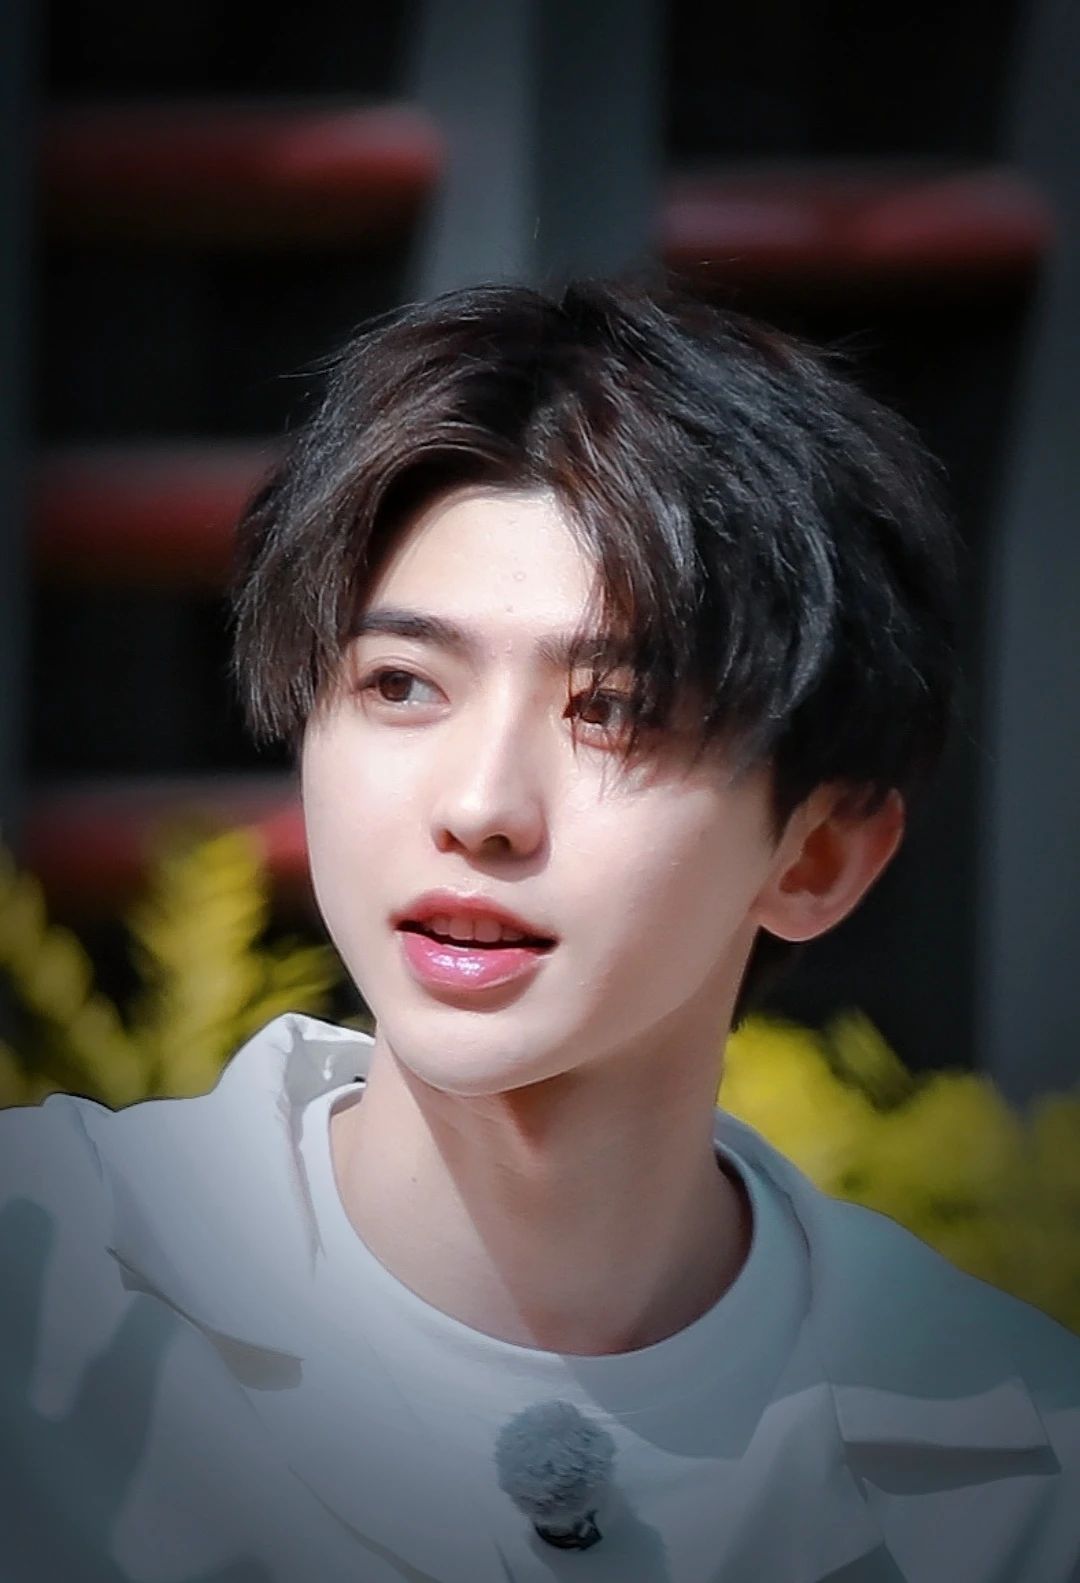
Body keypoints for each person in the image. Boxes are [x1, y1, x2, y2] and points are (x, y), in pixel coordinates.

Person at [2, 278, 1078, 1583]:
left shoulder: (1016, 1469)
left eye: (614, 712)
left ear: (818, 855)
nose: (479, 808)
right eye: (403, 685)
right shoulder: (46, 1297)